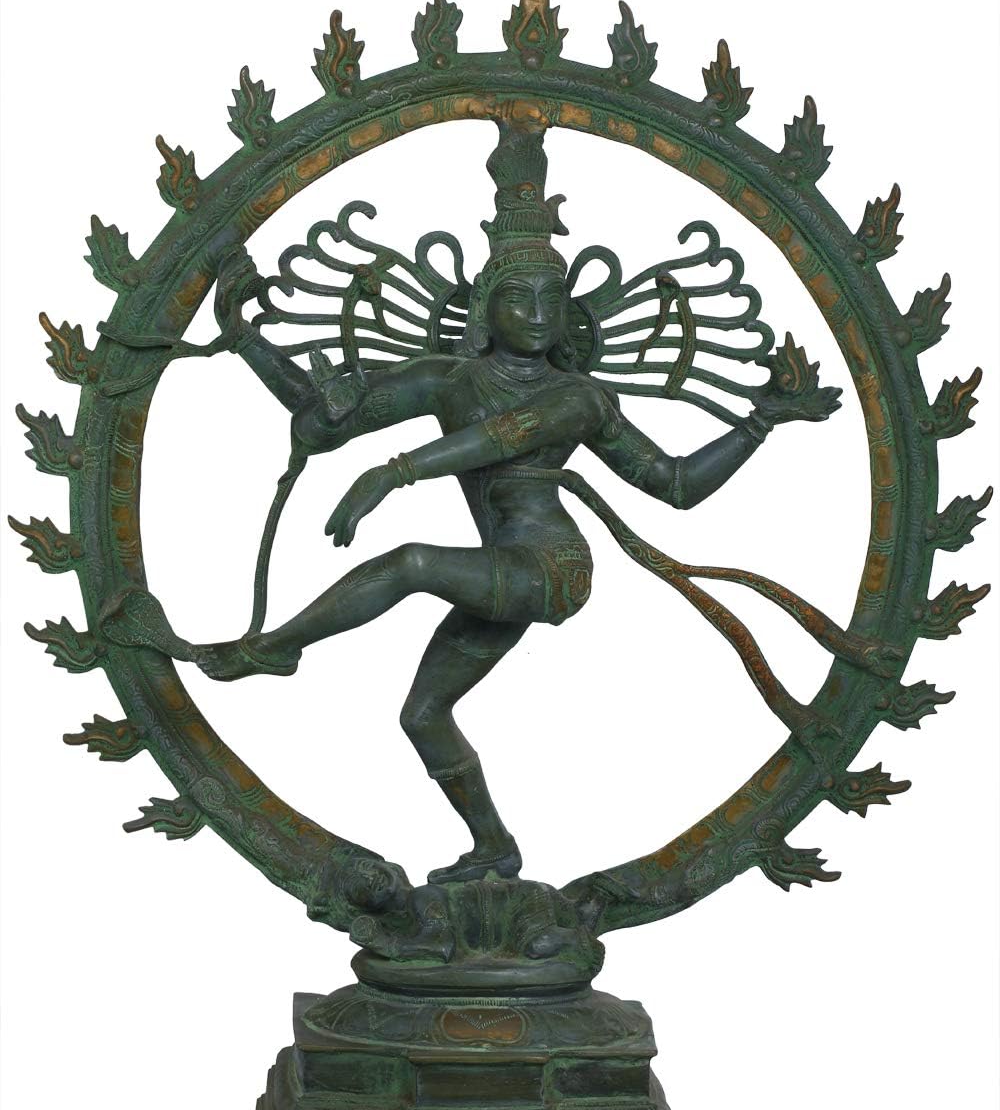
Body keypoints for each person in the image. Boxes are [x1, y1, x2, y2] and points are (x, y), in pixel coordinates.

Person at [194, 116, 841, 884]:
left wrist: (760, 421)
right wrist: (246, 340)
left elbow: (665, 482)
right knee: (423, 715)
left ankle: (276, 647)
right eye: (519, 298)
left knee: (411, 563)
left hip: (551, 567)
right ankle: (493, 848)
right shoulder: (446, 381)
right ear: (485, 307)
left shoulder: (579, 398)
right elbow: (321, 421)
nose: (537, 314)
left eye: (551, 300)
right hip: (499, 571)